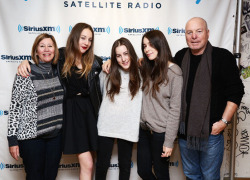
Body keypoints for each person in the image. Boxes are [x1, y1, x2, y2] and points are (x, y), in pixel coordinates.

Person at [16, 23, 103, 180]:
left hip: (90, 112)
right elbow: (43, 59)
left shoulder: (95, 61)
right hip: (73, 113)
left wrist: (111, 62)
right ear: (75, 36)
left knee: (93, 162)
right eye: (83, 38)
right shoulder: (61, 55)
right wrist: (26, 62)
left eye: (90, 39)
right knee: (88, 163)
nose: (86, 42)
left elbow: (112, 68)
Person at [175, 17, 244, 180]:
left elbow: (236, 92)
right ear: (185, 35)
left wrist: (223, 122)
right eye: (189, 32)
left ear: (207, 33)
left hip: (211, 133)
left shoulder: (222, 57)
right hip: (185, 134)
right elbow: (161, 72)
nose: (194, 36)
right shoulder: (179, 57)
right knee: (191, 175)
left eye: (198, 31)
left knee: (210, 176)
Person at [7, 33, 64, 180]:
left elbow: (77, 52)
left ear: (55, 50)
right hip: (32, 139)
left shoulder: (59, 71)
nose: (46, 49)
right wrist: (12, 140)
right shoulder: (25, 73)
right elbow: (15, 108)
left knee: (51, 177)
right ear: (36, 50)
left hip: (55, 138)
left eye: (50, 46)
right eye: (42, 46)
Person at [137, 30, 183, 180]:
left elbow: (175, 109)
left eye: (151, 45)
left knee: (161, 173)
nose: (147, 49)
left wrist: (169, 142)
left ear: (160, 44)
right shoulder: (148, 68)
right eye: (144, 46)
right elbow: (126, 62)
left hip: (161, 134)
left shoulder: (174, 73)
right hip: (144, 130)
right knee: (143, 171)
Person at [95, 37, 142, 180]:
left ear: (132, 53)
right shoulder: (107, 73)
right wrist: (108, 63)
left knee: (125, 166)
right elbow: (99, 94)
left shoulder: (142, 73)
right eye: (118, 55)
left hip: (128, 126)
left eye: (126, 53)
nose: (123, 59)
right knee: (102, 165)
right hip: (106, 124)